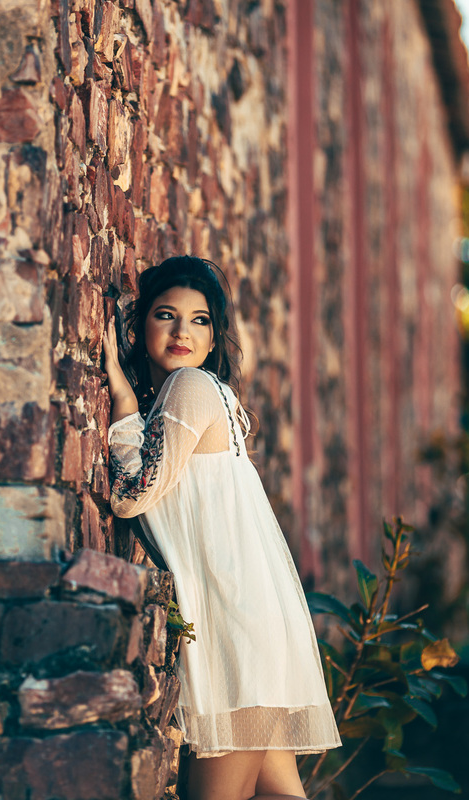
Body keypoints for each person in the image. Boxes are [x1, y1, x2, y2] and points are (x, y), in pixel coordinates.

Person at [103, 256, 342, 800]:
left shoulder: (190, 387)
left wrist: (120, 403)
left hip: (235, 632)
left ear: (214, 338)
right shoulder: (209, 398)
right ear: (142, 327)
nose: (182, 331)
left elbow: (128, 495)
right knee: (282, 795)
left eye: (200, 319)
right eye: (166, 315)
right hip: (253, 624)